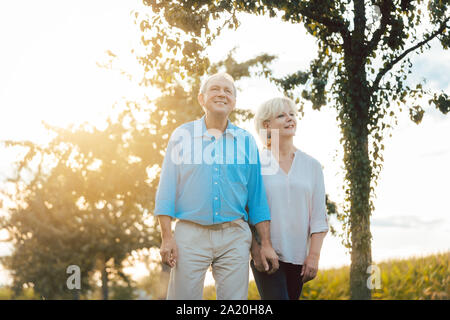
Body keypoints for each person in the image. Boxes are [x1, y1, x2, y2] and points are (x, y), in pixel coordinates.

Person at [154, 72, 279, 300]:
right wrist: (166, 237)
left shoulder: (246, 141)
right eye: (215, 89)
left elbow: (257, 198)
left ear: (234, 102)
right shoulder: (182, 136)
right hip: (190, 235)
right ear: (201, 99)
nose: (222, 93)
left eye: (228, 91)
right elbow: (166, 190)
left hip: (234, 236)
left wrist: (265, 244)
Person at [250, 97, 329, 300]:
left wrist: (313, 256)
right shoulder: (255, 164)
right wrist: (256, 249)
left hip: (299, 259)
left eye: (292, 114)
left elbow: (319, 218)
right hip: (267, 256)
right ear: (266, 125)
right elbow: (245, 212)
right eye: (281, 115)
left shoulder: (312, 166)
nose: (290, 119)